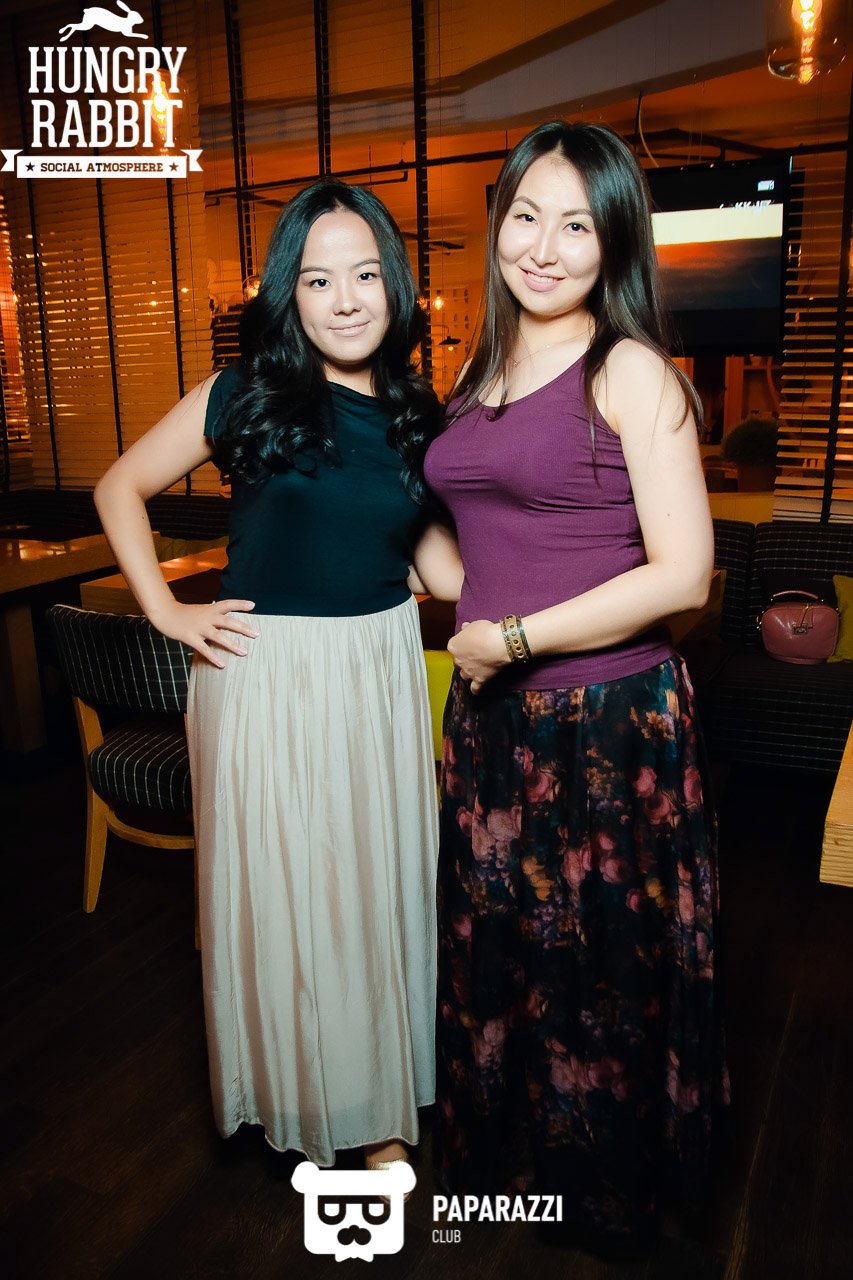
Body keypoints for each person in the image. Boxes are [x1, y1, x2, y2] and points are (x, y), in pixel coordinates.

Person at [94, 178, 463, 1172]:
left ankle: (377, 1110)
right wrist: (166, 610)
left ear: (395, 283)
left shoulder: (418, 413)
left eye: (363, 275)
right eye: (317, 279)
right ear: (288, 293)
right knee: (279, 892)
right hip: (261, 673)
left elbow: (440, 571)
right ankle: (291, 1089)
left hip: (376, 667)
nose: (344, 299)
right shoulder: (242, 392)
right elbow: (118, 485)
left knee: (374, 889)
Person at [424, 121, 729, 1246]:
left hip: (608, 721)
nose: (543, 248)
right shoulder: (475, 373)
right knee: (508, 946)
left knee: (602, 960)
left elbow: (683, 572)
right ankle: (517, 1164)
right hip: (494, 718)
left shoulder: (630, 368)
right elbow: (467, 544)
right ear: (497, 222)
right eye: (524, 216)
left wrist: (509, 637)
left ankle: (608, 1194)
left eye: (576, 225)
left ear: (614, 245)